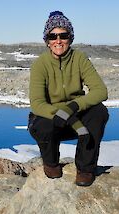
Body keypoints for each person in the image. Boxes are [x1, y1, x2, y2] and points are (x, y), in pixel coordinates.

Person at [28, 11, 109, 186]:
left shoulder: (79, 59)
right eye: (53, 36)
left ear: (70, 38)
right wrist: (65, 114)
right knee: (42, 124)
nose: (58, 40)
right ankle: (51, 163)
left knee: (99, 111)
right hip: (52, 120)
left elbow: (101, 91)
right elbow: (37, 104)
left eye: (63, 35)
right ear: (47, 41)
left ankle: (85, 169)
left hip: (74, 114)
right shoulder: (40, 64)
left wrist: (72, 107)